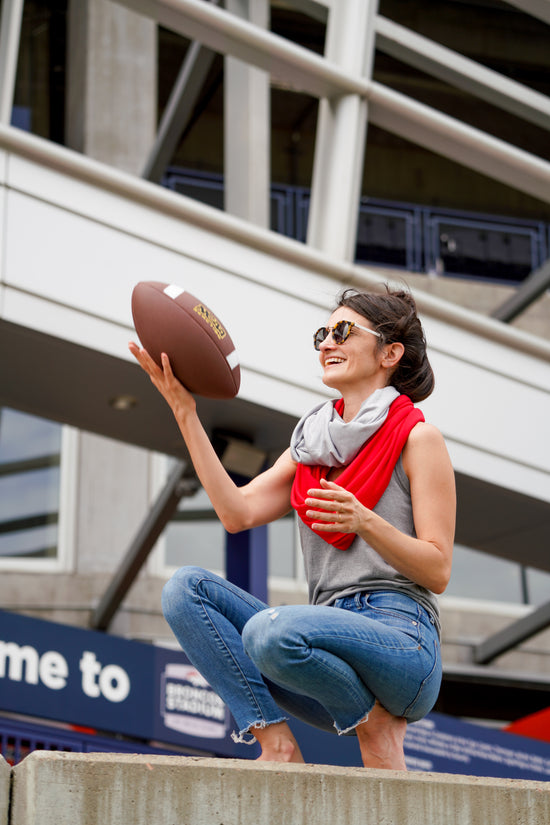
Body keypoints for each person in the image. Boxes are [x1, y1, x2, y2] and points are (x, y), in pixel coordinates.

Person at [129, 286, 456, 770]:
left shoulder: (418, 439)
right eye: (322, 333)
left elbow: (439, 568)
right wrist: (185, 412)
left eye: (343, 332)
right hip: (318, 649)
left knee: (268, 631)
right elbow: (235, 512)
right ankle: (278, 743)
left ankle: (377, 722)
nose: (326, 342)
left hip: (401, 640)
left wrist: (364, 520)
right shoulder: (309, 447)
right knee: (185, 590)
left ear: (390, 353)